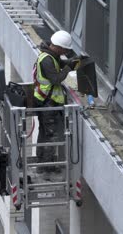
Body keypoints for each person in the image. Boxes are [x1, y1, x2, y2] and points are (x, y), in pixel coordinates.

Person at [33, 30, 80, 173]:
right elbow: (56, 79)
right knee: (51, 136)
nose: (65, 52)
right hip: (48, 102)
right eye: (65, 49)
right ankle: (47, 168)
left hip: (44, 100)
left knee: (44, 132)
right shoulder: (47, 60)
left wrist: (73, 63)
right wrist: (67, 68)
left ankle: (42, 163)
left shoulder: (51, 55)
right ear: (59, 47)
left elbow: (61, 63)